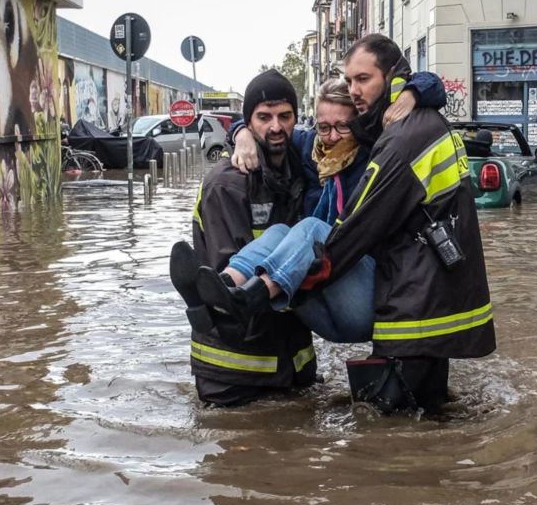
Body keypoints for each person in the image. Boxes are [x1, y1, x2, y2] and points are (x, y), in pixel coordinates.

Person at [174, 72, 448, 344]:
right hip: (320, 293)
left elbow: (434, 84)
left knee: (312, 229)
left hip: (363, 303)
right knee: (281, 231)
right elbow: (263, 126)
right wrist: (241, 133)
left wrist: (412, 94)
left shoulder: (377, 154)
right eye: (324, 127)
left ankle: (251, 298)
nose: (331, 137)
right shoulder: (308, 148)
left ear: (359, 124)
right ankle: (224, 289)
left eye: (342, 126)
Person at [303, 34, 496, 411]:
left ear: (392, 78)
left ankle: (251, 289)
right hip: (432, 297)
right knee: (430, 417)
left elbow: (363, 221)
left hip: (414, 305)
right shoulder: (413, 120)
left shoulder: (402, 137)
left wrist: (316, 271)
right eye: (349, 81)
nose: (354, 90)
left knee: (394, 432)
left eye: (363, 79)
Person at [170, 69, 315, 407]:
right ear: (248, 122)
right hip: (234, 371)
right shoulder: (228, 183)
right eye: (264, 117)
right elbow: (219, 273)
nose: (276, 127)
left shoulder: (301, 168)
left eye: (285, 116)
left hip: (292, 363)